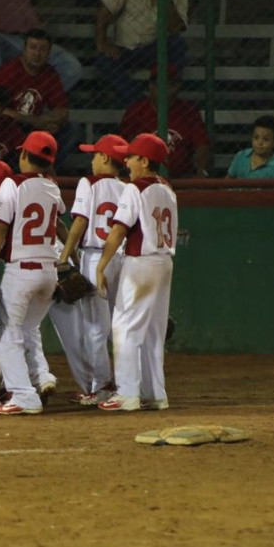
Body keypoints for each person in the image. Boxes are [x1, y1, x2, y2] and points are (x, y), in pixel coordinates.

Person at [0, 131, 64, 416]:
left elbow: (0, 227)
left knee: (6, 332)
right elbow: (59, 223)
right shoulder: (52, 186)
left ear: (24, 155)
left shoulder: (11, 183)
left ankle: (22, 394)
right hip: (49, 272)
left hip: (21, 271)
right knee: (28, 328)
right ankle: (40, 378)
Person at [94, 133, 176, 412]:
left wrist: (102, 264)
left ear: (144, 160)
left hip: (141, 263)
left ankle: (127, 394)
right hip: (164, 263)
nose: (125, 160)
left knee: (124, 327)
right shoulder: (167, 188)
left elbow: (119, 230)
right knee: (153, 332)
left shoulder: (135, 188)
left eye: (130, 156)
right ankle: (156, 394)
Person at [57, 134, 129, 405]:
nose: (92, 159)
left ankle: (102, 385)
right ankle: (126, 382)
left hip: (94, 258)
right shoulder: (126, 187)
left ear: (106, 158)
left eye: (96, 154)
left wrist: (65, 256)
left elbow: (78, 223)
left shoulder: (89, 183)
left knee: (94, 327)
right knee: (119, 325)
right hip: (119, 258)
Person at [94, 0, 189, 106]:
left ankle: (169, 94)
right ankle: (139, 104)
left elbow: (176, 29)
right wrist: (102, 42)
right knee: (102, 60)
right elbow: (105, 10)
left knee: (178, 44)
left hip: (154, 50)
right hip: (124, 49)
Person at [0, 29, 79, 169]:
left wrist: (50, 121)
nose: (37, 54)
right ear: (24, 49)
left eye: (43, 49)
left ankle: (46, 169)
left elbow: (62, 110)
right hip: (10, 125)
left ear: (49, 52)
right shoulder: (8, 71)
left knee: (70, 129)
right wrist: (37, 121)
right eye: (33, 48)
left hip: (35, 127)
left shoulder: (50, 74)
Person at [120, 66, 211, 178]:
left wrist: (201, 170)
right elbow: (123, 144)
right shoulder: (137, 111)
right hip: (144, 174)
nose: (163, 89)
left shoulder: (188, 111)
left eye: (169, 84)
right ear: (150, 86)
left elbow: (201, 144)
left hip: (181, 176)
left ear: (177, 86)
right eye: (157, 84)